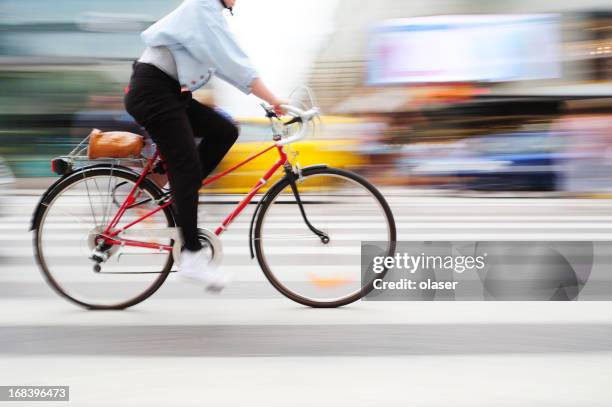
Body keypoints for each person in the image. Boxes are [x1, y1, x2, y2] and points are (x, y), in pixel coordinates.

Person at [124, 0, 287, 291]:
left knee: (224, 131)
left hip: (169, 93)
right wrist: (274, 99)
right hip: (154, 92)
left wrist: (265, 99)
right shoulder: (203, 7)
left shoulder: (211, 15)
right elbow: (234, 61)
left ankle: (176, 191)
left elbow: (225, 63)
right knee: (186, 167)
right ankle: (191, 256)